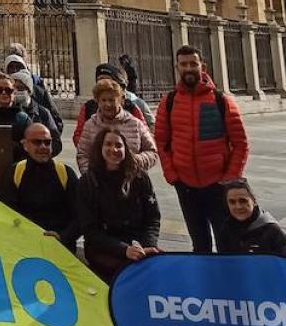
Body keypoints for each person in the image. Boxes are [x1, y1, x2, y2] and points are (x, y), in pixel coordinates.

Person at [154, 45, 249, 253]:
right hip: (186, 185)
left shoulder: (221, 100)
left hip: (218, 185)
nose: (189, 68)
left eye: (193, 64)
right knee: (199, 244)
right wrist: (172, 175)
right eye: (184, 64)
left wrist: (229, 179)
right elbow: (161, 142)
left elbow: (241, 144)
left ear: (202, 66)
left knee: (227, 244)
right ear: (177, 67)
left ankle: (226, 283)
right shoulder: (168, 102)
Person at [77, 128, 162, 282]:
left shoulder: (140, 178)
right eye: (108, 144)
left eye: (118, 145)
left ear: (125, 149)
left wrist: (147, 245)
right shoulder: (88, 182)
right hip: (105, 248)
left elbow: (152, 218)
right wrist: (124, 250)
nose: (114, 149)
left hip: (139, 244)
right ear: (100, 148)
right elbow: (90, 231)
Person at [0, 122, 79, 251]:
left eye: (47, 142)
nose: (43, 146)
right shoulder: (15, 172)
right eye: (37, 142)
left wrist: (62, 237)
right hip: (25, 245)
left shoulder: (65, 173)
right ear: (25, 145)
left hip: (61, 247)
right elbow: (6, 213)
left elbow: (80, 217)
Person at [76, 80, 158, 175]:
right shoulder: (90, 125)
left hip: (131, 180)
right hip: (100, 183)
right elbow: (83, 155)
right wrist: (90, 177)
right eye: (103, 100)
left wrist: (133, 161)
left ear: (120, 100)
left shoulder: (135, 124)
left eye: (111, 100)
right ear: (97, 101)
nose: (107, 104)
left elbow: (152, 152)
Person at [0, 70, 60, 160]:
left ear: (14, 92)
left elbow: (33, 148)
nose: (3, 93)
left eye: (8, 90)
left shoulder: (23, 119)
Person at [71, 62, 152, 147]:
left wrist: (133, 157)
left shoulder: (131, 108)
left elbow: (148, 144)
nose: (104, 83)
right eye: (100, 80)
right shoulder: (88, 108)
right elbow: (79, 137)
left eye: (107, 80)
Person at [218, 179, 286, 256]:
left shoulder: (272, 230)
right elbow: (223, 262)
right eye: (232, 202)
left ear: (254, 201)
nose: (238, 206)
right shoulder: (226, 228)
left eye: (243, 201)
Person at [3, 51, 63, 134]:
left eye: (18, 67)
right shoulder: (2, 94)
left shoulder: (39, 93)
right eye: (11, 67)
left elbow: (56, 121)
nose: (14, 70)